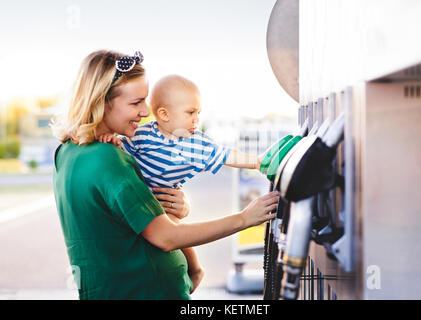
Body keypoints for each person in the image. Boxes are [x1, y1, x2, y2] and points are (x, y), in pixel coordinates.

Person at [51, 49, 278, 300]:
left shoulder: (68, 152)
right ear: (101, 101)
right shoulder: (107, 158)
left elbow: (127, 214)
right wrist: (245, 219)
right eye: (136, 103)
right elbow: (166, 237)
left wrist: (177, 204)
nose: (146, 112)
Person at [98, 74, 268, 290]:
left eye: (198, 112)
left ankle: (195, 270)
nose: (197, 119)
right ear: (163, 114)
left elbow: (226, 155)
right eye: (190, 113)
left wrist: (256, 163)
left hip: (161, 202)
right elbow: (124, 149)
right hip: (140, 197)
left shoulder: (196, 144)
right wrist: (112, 139)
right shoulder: (143, 134)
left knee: (171, 229)